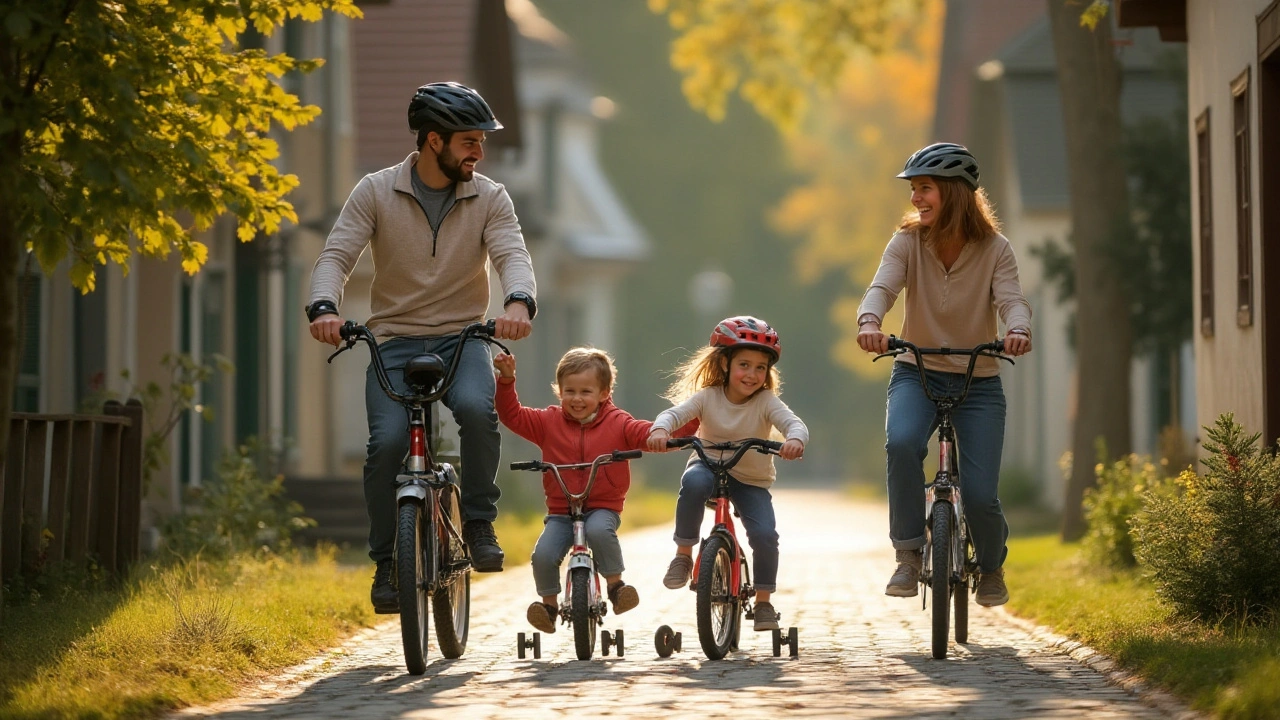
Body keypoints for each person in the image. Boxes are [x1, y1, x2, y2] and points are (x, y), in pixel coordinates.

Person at [307, 81, 537, 613]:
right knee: (385, 446)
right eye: (469, 142)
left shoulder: (490, 197)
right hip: (392, 340)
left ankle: (478, 522)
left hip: (463, 338)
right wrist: (324, 309)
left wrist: (518, 303)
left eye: (481, 142)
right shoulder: (375, 191)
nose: (479, 152)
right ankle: (387, 561)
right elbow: (336, 255)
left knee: (479, 412)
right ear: (434, 141)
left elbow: (512, 255)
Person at [856, 142, 1032, 607]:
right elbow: (882, 287)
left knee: (979, 496)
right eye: (914, 189)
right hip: (918, 372)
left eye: (925, 189)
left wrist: (1017, 327)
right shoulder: (907, 242)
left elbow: (1011, 298)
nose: (916, 198)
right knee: (901, 444)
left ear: (954, 192)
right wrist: (870, 322)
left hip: (979, 382)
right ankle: (909, 554)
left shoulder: (996, 249)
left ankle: (991, 567)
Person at [494, 348, 696, 633]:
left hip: (603, 506)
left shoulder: (619, 423)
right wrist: (506, 380)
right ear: (559, 391)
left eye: (586, 391)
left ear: (604, 393)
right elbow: (512, 415)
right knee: (542, 554)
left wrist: (690, 422)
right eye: (569, 391)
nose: (577, 399)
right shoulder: (547, 423)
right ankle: (549, 605)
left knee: (600, 531)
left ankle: (615, 587)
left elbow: (649, 433)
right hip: (562, 510)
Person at [646, 316, 808, 632]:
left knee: (764, 535)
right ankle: (683, 555)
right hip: (707, 465)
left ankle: (763, 602)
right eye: (744, 364)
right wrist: (661, 428)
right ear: (724, 364)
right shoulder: (708, 396)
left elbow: (794, 423)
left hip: (750, 479)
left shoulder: (765, 401)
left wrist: (794, 440)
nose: (752, 374)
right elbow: (674, 413)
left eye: (760, 368)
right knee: (692, 482)